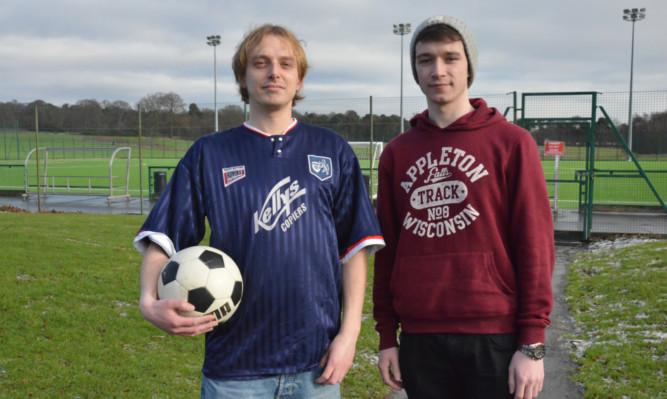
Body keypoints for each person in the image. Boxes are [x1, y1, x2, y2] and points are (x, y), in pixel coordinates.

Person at [135, 24, 384, 398]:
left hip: (315, 365)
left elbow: (354, 249)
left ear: (299, 79)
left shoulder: (332, 150)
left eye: (286, 64)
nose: (274, 72)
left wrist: (349, 337)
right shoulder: (209, 153)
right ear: (242, 76)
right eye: (261, 63)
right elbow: (163, 237)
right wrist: (146, 302)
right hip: (234, 367)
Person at [372, 15, 555, 399]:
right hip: (421, 338)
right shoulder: (396, 153)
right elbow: (387, 250)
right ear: (415, 70)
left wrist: (533, 342)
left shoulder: (511, 143)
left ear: (468, 66)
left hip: (495, 336)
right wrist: (387, 335)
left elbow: (535, 246)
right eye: (425, 60)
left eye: (450, 58)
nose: (438, 70)